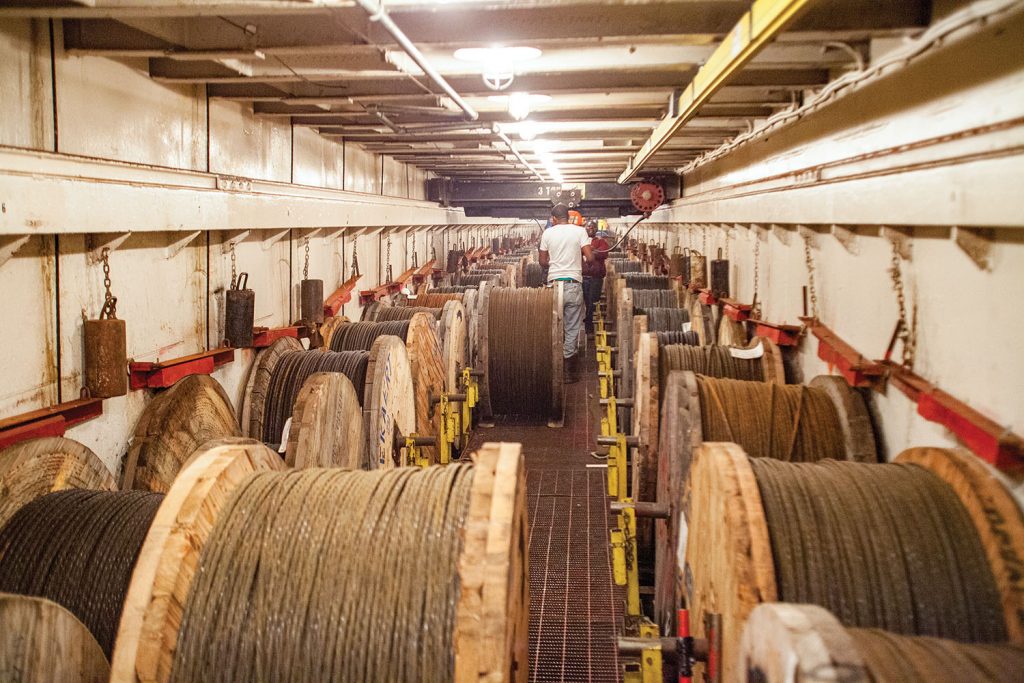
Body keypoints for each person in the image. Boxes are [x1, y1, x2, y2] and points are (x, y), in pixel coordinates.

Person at [539, 203, 592, 383]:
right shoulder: (579, 231)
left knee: (552, 326)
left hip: (554, 285)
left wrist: (555, 263)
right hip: (573, 285)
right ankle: (568, 372)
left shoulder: (548, 233)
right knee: (572, 328)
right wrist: (579, 262)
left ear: (553, 218)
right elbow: (590, 257)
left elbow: (542, 261)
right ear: (567, 217)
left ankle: (551, 367)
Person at [582, 219, 609, 334]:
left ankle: (588, 323)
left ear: (596, 229)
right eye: (588, 227)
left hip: (596, 278)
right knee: (586, 301)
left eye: (593, 227)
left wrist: (590, 251)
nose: (590, 229)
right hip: (583, 277)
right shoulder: (581, 241)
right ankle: (588, 320)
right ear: (585, 229)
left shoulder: (601, 241)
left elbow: (604, 253)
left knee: (593, 300)